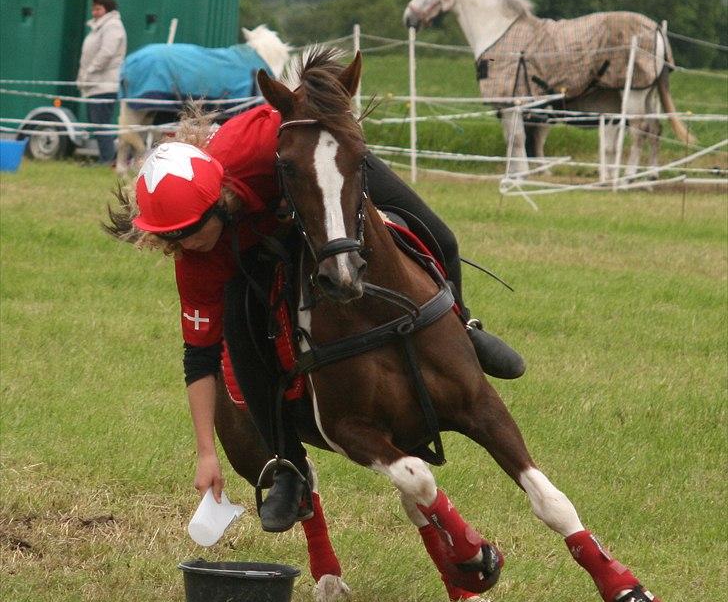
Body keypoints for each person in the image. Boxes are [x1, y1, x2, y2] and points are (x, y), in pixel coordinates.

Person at [106, 100, 525, 534]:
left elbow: (306, 109)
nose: (182, 246)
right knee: (240, 324)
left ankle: (466, 326)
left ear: (219, 203)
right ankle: (287, 463)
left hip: (316, 167)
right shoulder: (195, 259)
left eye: (188, 233)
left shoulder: (257, 145)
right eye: (168, 239)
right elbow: (199, 357)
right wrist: (206, 453)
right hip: (273, 231)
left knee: (442, 235)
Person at [76, 0, 127, 165]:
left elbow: (107, 52)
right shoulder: (100, 26)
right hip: (96, 84)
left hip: (105, 83)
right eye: (94, 9)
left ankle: (107, 159)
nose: (94, 12)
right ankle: (109, 157)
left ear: (107, 9)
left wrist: (89, 71)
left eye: (98, 9)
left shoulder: (112, 26)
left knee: (101, 122)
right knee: (97, 122)